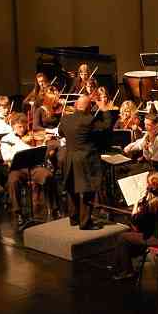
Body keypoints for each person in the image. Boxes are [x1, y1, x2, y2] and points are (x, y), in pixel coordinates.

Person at [59, 94, 111, 230]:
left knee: (72, 189)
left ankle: (74, 218)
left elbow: (61, 133)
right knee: (88, 189)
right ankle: (85, 222)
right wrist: (105, 109)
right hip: (86, 159)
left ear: (76, 105)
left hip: (69, 157)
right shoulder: (89, 120)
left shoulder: (65, 119)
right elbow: (105, 127)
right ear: (89, 107)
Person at [112, 171, 158, 280]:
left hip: (156, 239)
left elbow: (135, 222)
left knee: (122, 237)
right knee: (131, 237)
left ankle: (126, 271)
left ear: (150, 186)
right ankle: (122, 265)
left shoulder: (151, 205)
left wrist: (136, 205)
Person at [1, 113, 57, 227]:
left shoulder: (31, 136)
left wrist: (42, 143)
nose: (23, 129)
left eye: (24, 126)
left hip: (33, 167)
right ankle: (18, 213)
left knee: (48, 176)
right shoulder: (6, 139)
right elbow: (6, 157)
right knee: (13, 182)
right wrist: (18, 152)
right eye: (19, 127)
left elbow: (39, 153)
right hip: (17, 169)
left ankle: (53, 208)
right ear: (13, 126)